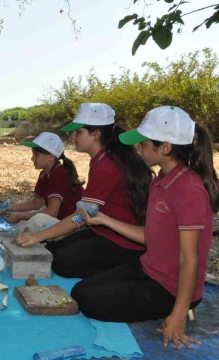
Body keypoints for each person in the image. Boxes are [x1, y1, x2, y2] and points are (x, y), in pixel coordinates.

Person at [71, 106, 218, 350]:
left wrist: (178, 315)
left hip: (171, 286)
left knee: (89, 302)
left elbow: (189, 258)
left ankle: (173, 309)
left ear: (165, 147)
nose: (139, 148)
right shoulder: (161, 179)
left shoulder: (188, 190)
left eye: (144, 143)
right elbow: (151, 235)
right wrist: (104, 220)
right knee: (79, 290)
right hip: (149, 267)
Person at [16, 103, 153, 279]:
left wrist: (38, 235)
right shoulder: (104, 159)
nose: (72, 136)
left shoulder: (106, 165)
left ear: (96, 134)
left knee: (60, 262)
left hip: (121, 240)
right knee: (51, 251)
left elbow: (80, 215)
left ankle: (118, 271)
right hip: (103, 230)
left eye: (78, 132)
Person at [2, 132, 84, 232]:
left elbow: (51, 212)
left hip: (73, 225)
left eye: (35, 154)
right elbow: (35, 203)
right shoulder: (45, 174)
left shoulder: (59, 174)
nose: (32, 158)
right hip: (61, 221)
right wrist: (9, 208)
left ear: (51, 156)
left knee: (38, 220)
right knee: (24, 224)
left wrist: (19, 216)